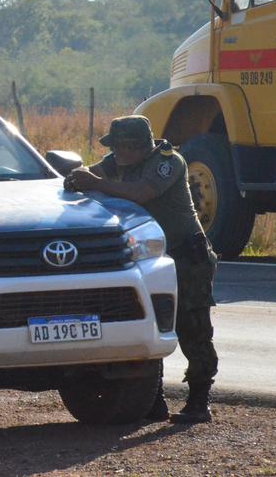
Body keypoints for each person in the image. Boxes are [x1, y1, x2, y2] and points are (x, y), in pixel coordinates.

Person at [65, 115, 218, 425]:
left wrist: (95, 183)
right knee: (149, 325)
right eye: (116, 149)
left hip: (187, 256)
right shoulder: (115, 163)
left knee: (193, 327)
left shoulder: (167, 162)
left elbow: (141, 193)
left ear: (137, 146)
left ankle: (199, 400)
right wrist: (75, 179)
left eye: (123, 148)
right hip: (148, 255)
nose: (118, 154)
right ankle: (153, 400)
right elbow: (90, 174)